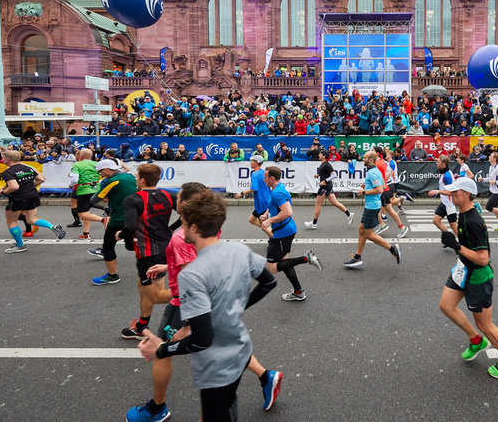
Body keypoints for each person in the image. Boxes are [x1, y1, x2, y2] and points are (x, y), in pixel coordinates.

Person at [127, 182, 285, 421]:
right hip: (239, 348)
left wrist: (160, 349)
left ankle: (156, 410)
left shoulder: (192, 275)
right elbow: (269, 283)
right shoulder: (238, 250)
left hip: (216, 367)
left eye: (183, 224)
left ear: (193, 227)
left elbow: (202, 340)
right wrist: (238, 307)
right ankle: (265, 378)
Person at [439, 177, 498, 379]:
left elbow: (483, 259)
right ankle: (476, 341)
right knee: (446, 306)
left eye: (455, 192)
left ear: (466, 194)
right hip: (463, 270)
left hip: (477, 276)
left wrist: (456, 246)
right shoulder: (465, 211)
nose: (451, 195)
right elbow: (466, 237)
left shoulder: (473, 220)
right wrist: (454, 237)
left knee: (485, 325)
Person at [118, 164, 175, 340]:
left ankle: (196, 294)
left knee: (156, 295)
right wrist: (172, 228)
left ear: (142, 180)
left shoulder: (133, 199)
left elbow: (129, 226)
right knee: (142, 288)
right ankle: (142, 327)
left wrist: (120, 235)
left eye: (137, 178)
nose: (136, 180)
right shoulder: (168, 195)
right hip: (162, 247)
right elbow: (188, 214)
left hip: (150, 252)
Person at [260, 165, 322, 301]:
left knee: (272, 267)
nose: (263, 180)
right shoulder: (279, 188)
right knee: (285, 262)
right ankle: (298, 292)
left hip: (283, 232)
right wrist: (266, 214)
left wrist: (269, 221)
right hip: (286, 229)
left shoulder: (277, 192)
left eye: (265, 177)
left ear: (271, 178)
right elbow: (275, 206)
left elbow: (287, 212)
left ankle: (306, 258)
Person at [0, 150, 66, 253]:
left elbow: (14, 186)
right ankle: (53, 227)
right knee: (31, 219)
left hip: (18, 197)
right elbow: (42, 179)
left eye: (2, 157)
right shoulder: (28, 167)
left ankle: (20, 245)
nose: (1, 159)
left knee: (11, 221)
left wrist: (2, 192)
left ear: (8, 159)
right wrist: (28, 186)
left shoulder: (7, 172)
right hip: (32, 195)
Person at [343, 150, 402, 268]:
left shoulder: (372, 173)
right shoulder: (375, 171)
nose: (362, 159)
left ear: (370, 160)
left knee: (369, 234)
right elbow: (384, 186)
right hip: (371, 205)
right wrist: (368, 185)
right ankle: (357, 257)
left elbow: (380, 189)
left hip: (372, 207)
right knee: (361, 230)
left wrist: (364, 191)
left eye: (364, 157)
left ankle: (392, 249)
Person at [88, 158, 138, 285]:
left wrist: (107, 196)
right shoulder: (130, 177)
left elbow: (94, 199)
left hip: (119, 217)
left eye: (101, 172)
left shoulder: (112, 181)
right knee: (133, 244)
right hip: (136, 216)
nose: (101, 175)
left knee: (108, 246)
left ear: (106, 169)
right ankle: (153, 267)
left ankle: (112, 276)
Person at [304, 149, 354, 230]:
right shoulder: (323, 164)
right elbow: (325, 173)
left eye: (320, 154)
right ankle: (349, 214)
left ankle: (314, 223)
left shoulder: (327, 165)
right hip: (328, 187)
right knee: (335, 203)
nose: (319, 155)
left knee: (317, 205)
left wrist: (325, 181)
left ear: (324, 156)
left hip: (325, 187)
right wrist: (319, 175)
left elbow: (334, 175)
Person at [69, 149, 104, 239]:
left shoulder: (77, 165)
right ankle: (86, 233)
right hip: (95, 189)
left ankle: (104, 220)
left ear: (81, 156)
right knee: (87, 212)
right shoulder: (96, 164)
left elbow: (74, 179)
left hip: (83, 190)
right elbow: (103, 176)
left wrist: (70, 185)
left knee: (83, 214)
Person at [428, 155, 459, 240]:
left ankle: (465, 245)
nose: (436, 163)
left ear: (443, 164)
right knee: (436, 221)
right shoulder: (445, 173)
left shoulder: (446, 176)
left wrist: (437, 191)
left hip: (450, 204)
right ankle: (450, 239)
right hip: (444, 203)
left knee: (453, 226)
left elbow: (452, 192)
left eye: (438, 162)